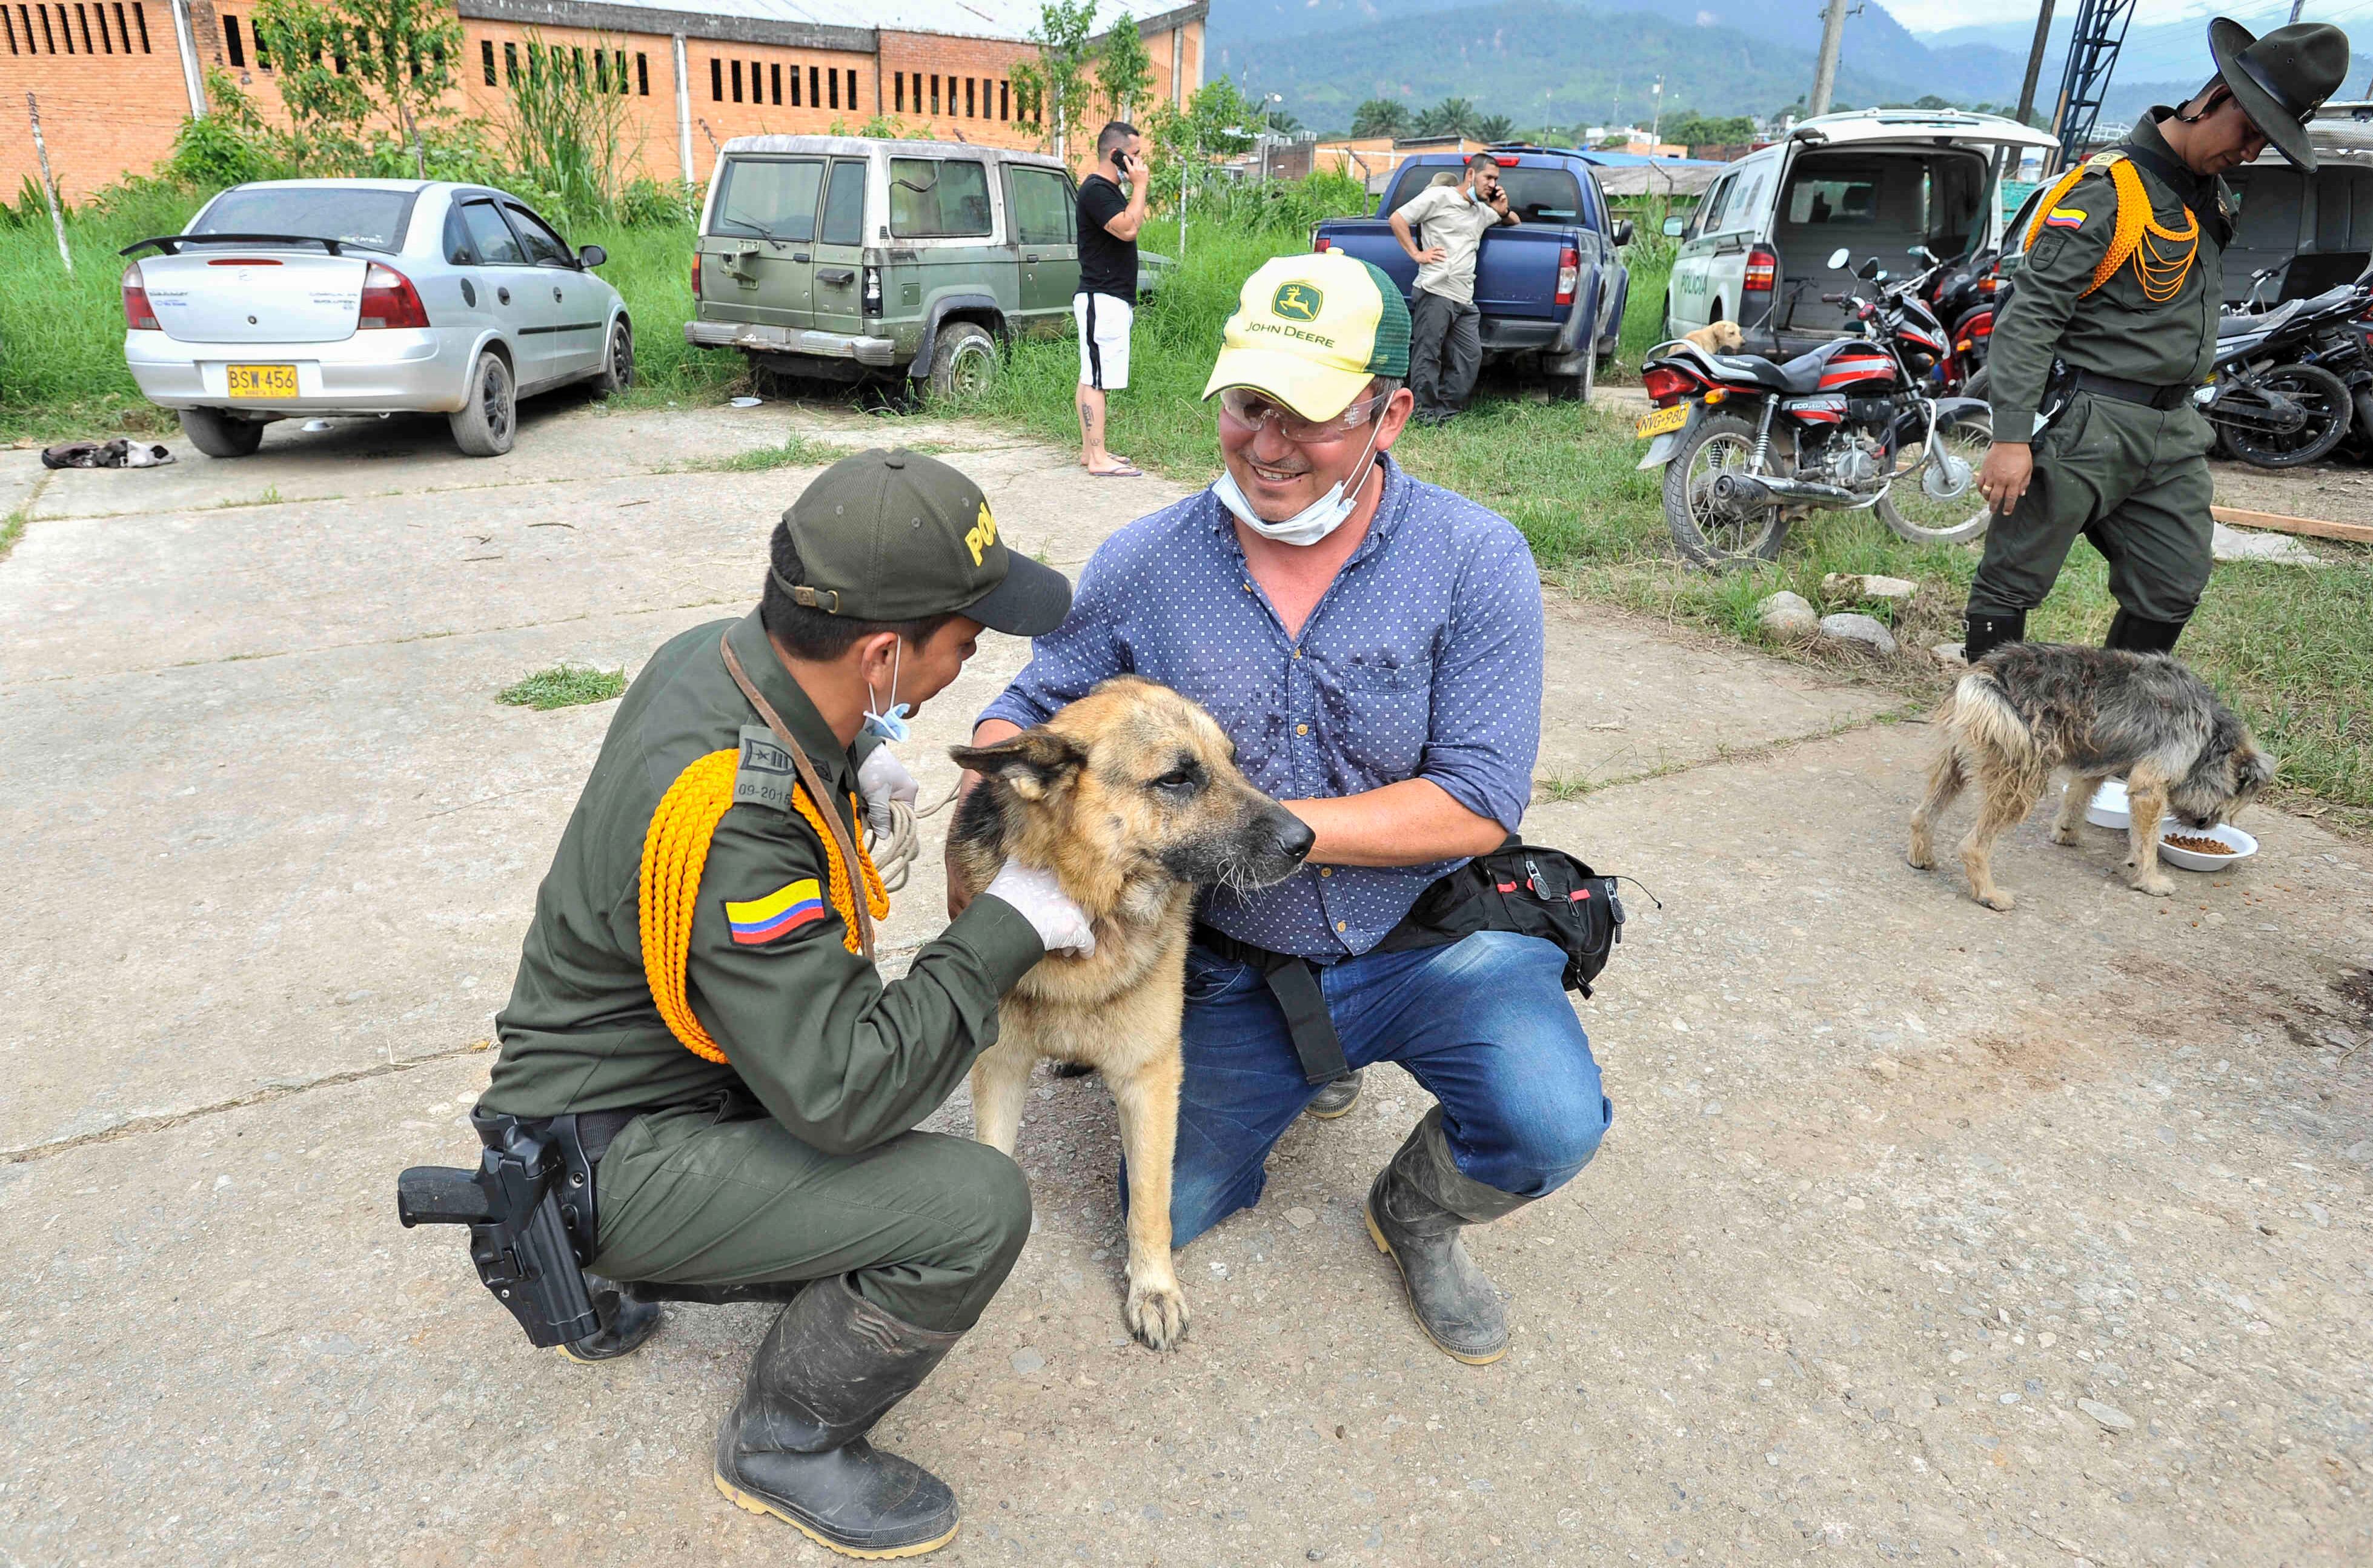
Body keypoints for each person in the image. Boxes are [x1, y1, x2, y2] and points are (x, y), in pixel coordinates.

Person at [955, 251, 1610, 1365]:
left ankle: (1416, 1211)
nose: (1265, 443)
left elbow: (1479, 799)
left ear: (1387, 412)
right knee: (1175, 1197)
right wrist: (1009, 797)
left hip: (1422, 935)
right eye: (1248, 405)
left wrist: (1262, 830)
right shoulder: (1146, 559)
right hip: (1232, 964)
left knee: (1548, 1118)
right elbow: (1027, 704)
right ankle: (1308, 1057)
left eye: (1306, 416)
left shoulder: (1475, 560)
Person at [478, 449, 1092, 1560]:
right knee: (970, 1202)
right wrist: (1004, 922)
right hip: (613, 1150)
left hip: (613, 1086)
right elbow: (846, 1091)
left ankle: (648, 1249)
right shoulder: (733, 816)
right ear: (882, 651)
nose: (976, 654)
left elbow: (778, 741)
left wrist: (856, 748)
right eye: (968, 634)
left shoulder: (716, 663)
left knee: (884, 1102)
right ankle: (785, 1438)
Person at [1966, 18, 2349, 662]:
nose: (2251, 151)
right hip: (2085, 423)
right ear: (2211, 100)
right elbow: (2029, 317)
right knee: (2013, 581)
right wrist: (2009, 438)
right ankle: (1987, 738)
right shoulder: (2106, 191)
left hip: (2170, 425)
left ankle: (2114, 735)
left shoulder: (2210, 198)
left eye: (2268, 141)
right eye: (2249, 130)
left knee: (2172, 582)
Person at [1387, 154, 1518, 425]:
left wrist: (1503, 209)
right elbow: (1398, 218)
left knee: (1470, 356)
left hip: (1464, 297)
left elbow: (1513, 222)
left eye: (1496, 180)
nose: (1492, 184)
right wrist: (1417, 254)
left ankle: (1446, 412)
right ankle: (1422, 414)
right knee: (1428, 352)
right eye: (1489, 178)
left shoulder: (1480, 211)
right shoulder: (1440, 197)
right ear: (1471, 175)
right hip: (1436, 289)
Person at [1075, 119, 1149, 478]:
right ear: (1115, 154)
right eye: (1134, 155)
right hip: (1100, 297)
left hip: (1109, 298)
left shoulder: (1109, 189)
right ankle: (1099, 458)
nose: (1139, 162)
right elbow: (1129, 228)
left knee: (1092, 375)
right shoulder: (1096, 190)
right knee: (1097, 379)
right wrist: (1141, 186)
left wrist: (1134, 187)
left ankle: (1092, 453)